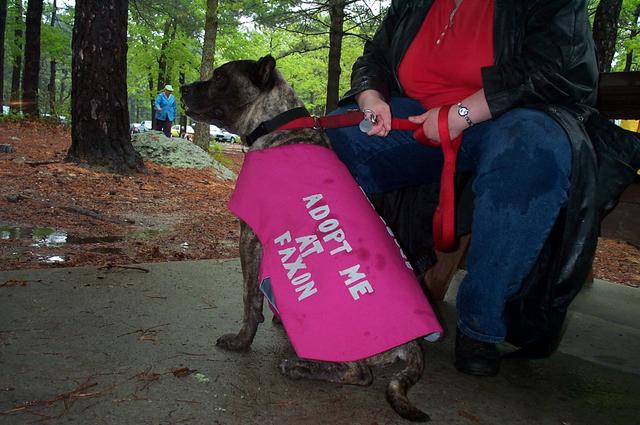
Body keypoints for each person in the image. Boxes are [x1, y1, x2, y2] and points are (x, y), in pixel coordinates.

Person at [325, 0, 640, 376]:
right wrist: (371, 99)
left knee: (532, 150)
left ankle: (479, 323)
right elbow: (374, 56)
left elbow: (551, 68)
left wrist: (460, 114)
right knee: (324, 142)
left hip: (511, 117)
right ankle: (336, 292)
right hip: (418, 118)